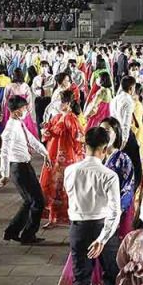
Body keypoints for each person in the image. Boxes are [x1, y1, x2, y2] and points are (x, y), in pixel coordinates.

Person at [63, 125, 122, 285]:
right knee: (112, 277)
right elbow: (115, 212)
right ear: (105, 149)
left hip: (78, 229)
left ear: (84, 145)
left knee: (80, 284)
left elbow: (70, 197)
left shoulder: (71, 170)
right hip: (102, 227)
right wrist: (103, 238)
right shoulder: (109, 175)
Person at [0, 96, 50, 244]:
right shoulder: (10, 129)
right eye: (24, 109)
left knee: (29, 201)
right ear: (15, 112)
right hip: (19, 168)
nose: (27, 111)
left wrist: (44, 153)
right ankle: (28, 235)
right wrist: (4, 174)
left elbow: (31, 139)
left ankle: (12, 231)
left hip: (24, 166)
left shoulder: (19, 124)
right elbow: (4, 152)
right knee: (38, 201)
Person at [40, 89, 83, 227]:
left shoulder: (71, 118)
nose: (60, 103)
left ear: (69, 103)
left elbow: (78, 137)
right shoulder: (57, 117)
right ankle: (52, 217)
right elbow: (48, 133)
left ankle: (71, 217)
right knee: (53, 187)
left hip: (67, 157)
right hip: (53, 155)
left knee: (65, 187)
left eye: (63, 101)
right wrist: (46, 130)